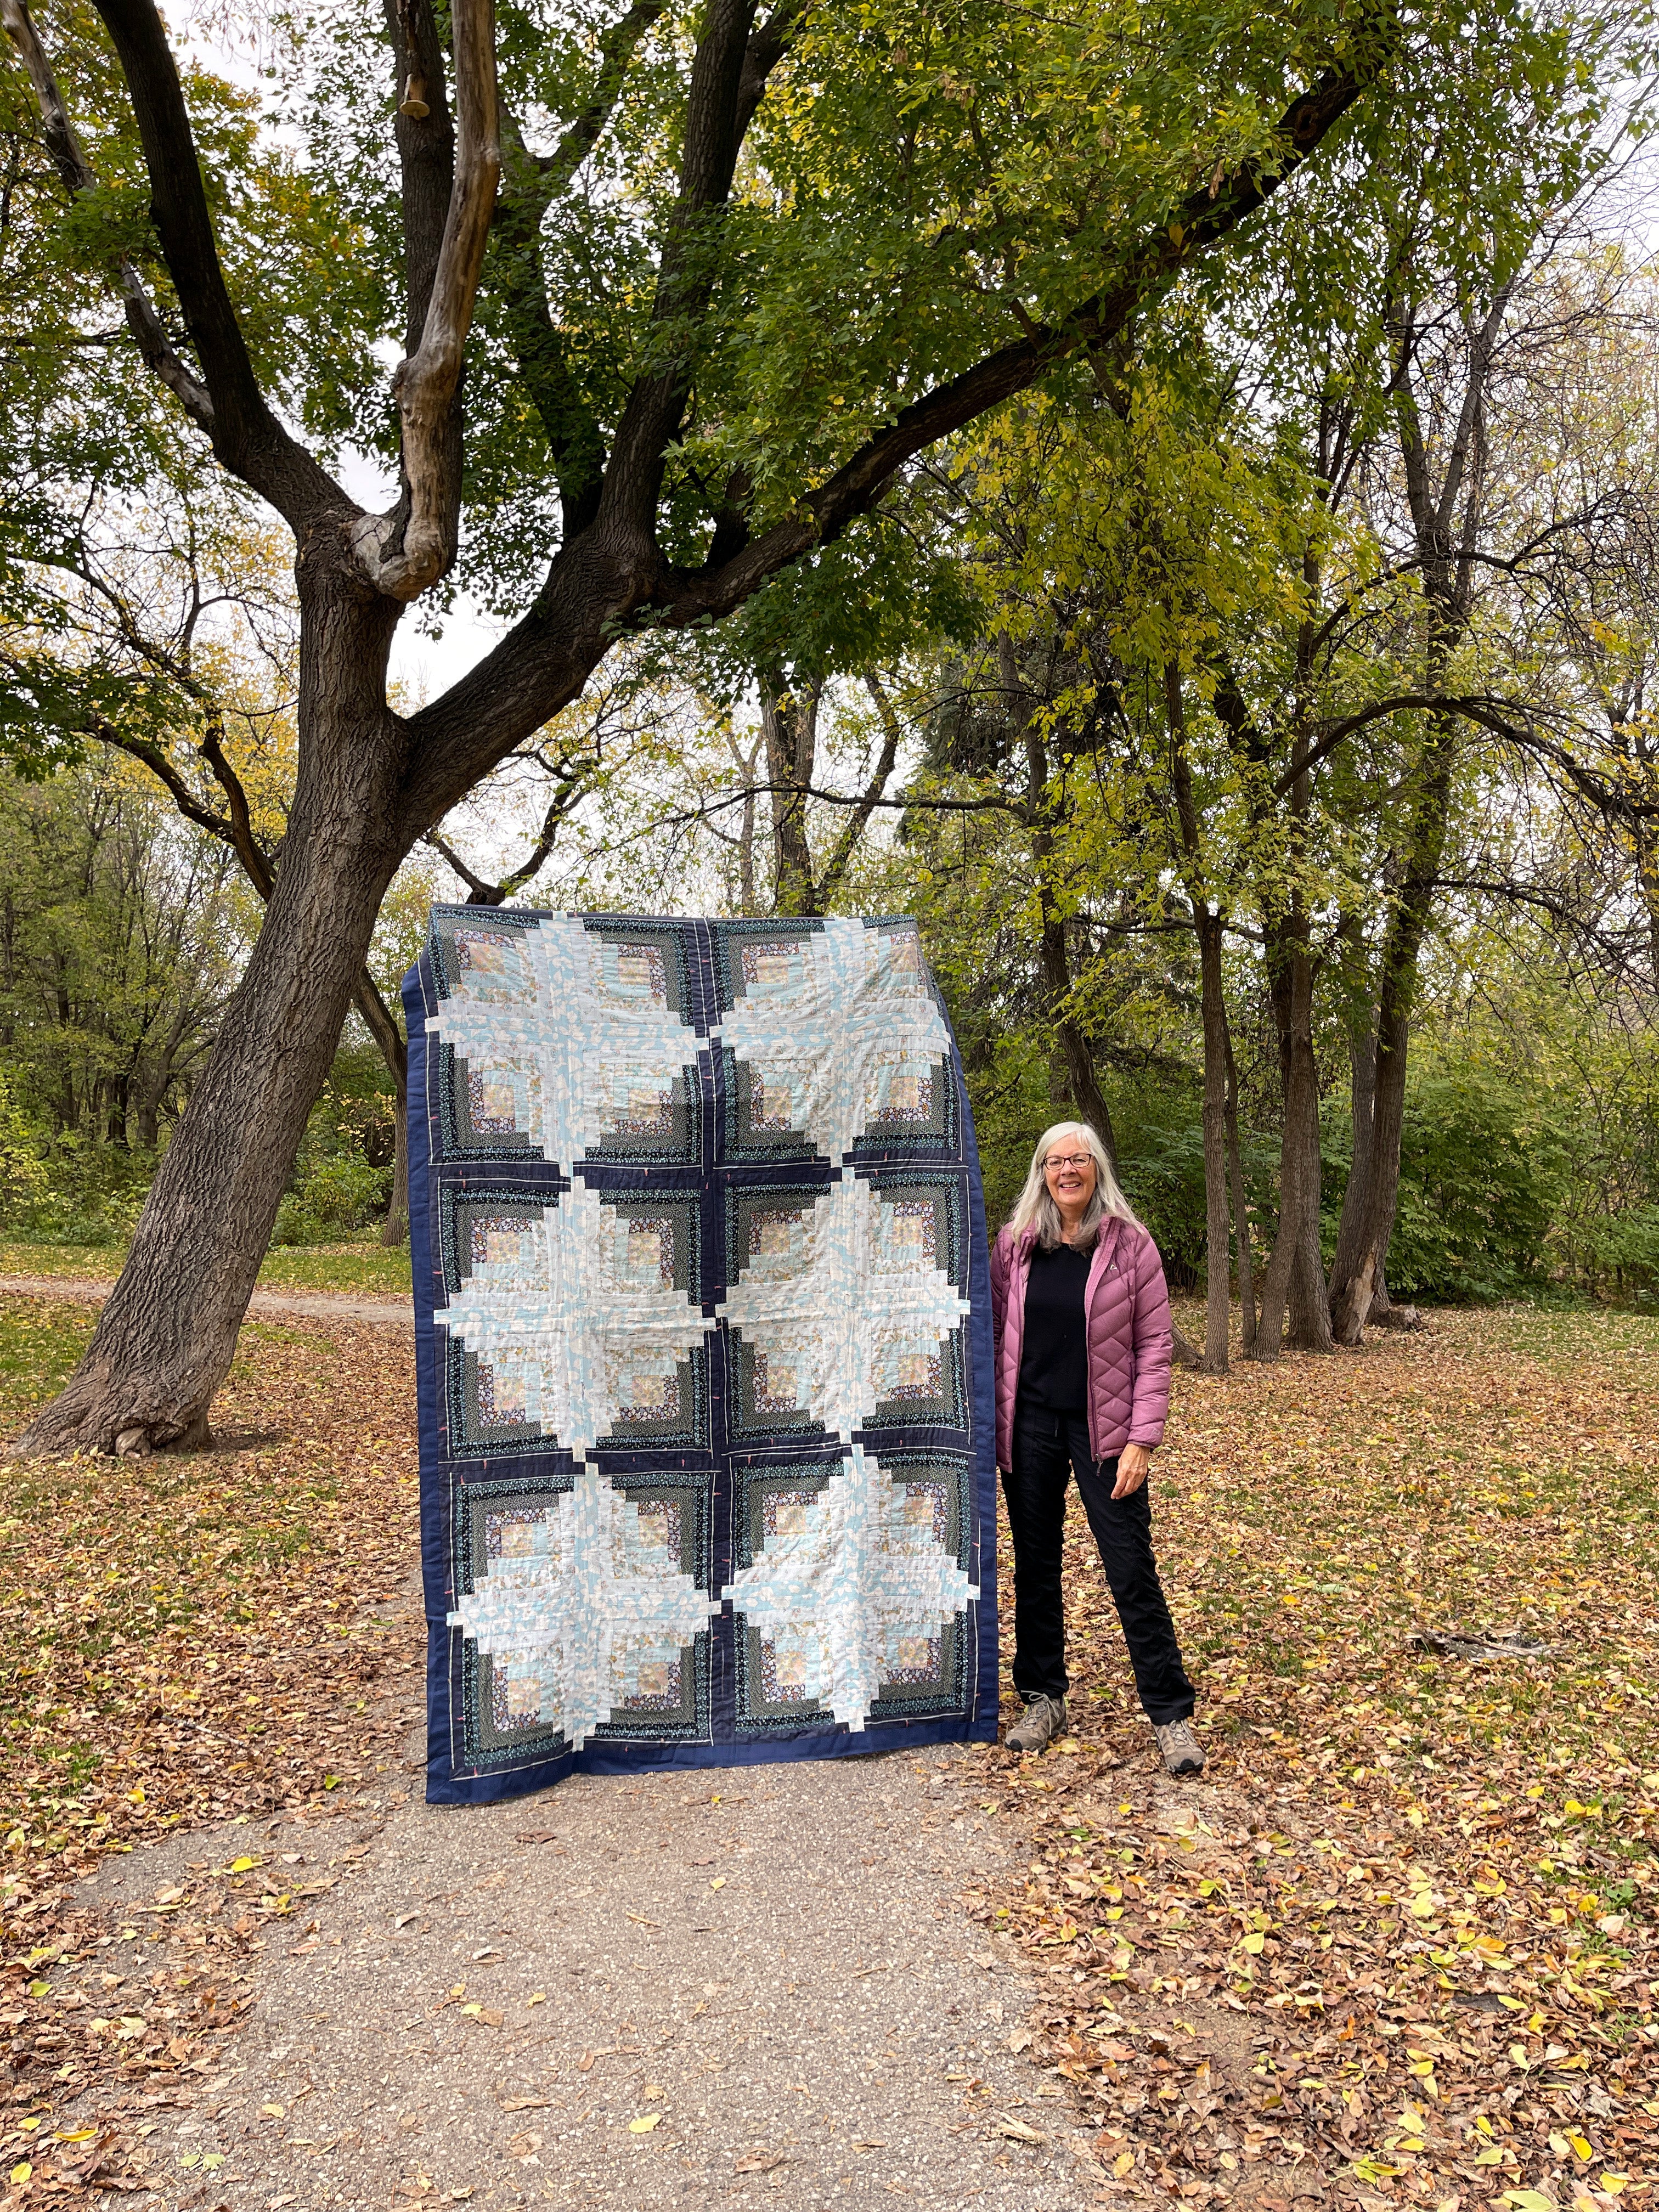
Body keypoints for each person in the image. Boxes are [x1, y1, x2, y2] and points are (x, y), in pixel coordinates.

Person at [989, 1120, 1203, 1775]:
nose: (1068, 1171)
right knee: (1035, 1567)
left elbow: (1155, 1347)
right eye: (1056, 1162)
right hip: (1029, 1426)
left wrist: (1143, 1438)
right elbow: (994, 1332)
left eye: (1079, 1159)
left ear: (1096, 1168)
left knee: (1130, 1568)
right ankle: (1043, 1698)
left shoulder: (1131, 1247)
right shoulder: (1015, 1246)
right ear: (1042, 1173)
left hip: (1105, 1430)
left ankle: (1170, 1715)